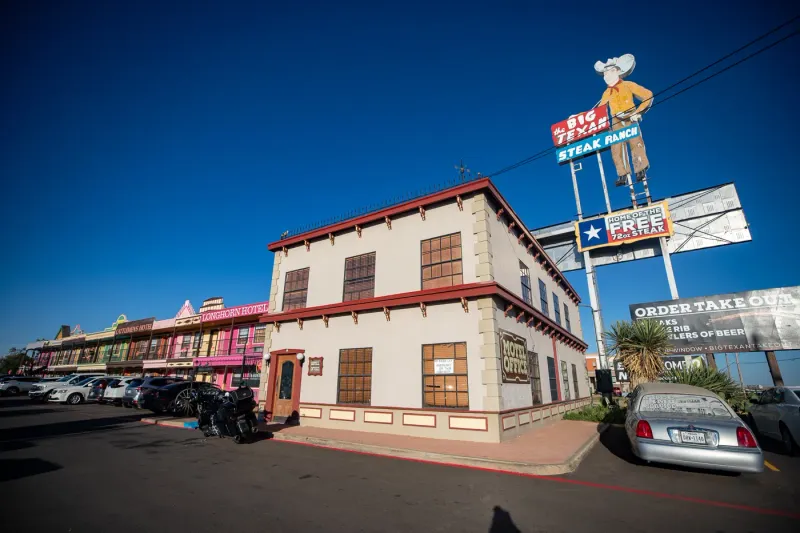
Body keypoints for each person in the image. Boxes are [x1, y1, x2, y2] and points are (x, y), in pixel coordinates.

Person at [595, 54, 652, 185]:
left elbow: (647, 95)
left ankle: (640, 169)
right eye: (605, 73)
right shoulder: (606, 93)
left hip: (630, 116)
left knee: (635, 143)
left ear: (618, 71)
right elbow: (598, 110)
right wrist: (580, 118)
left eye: (610, 71)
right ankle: (622, 174)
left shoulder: (628, 85)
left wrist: (638, 112)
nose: (607, 76)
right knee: (616, 148)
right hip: (615, 120)